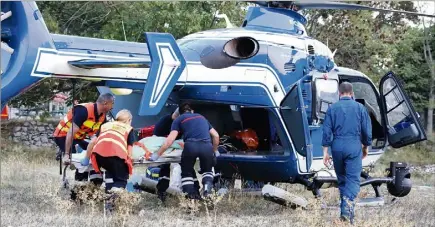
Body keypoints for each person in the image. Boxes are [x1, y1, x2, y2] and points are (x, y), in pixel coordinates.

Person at [322, 82, 372, 223]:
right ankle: (346, 211)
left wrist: (325, 152)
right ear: (352, 93)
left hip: (337, 146)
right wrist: (365, 147)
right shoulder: (360, 108)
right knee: (353, 180)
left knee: (343, 180)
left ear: (339, 93)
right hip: (353, 146)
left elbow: (326, 131)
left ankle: (348, 216)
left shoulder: (332, 108)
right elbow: (367, 131)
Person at [149, 102, 220, 201]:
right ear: (192, 111)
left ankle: (191, 197)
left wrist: (157, 154)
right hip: (206, 146)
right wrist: (215, 150)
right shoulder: (202, 117)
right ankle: (207, 188)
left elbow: (169, 140)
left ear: (180, 113)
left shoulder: (178, 120)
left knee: (186, 173)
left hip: (190, 147)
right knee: (207, 171)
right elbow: (216, 135)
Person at [81, 109, 136, 211]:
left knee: (110, 174)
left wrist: (86, 158)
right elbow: (129, 151)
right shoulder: (128, 129)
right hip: (117, 156)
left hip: (100, 156)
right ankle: (111, 201)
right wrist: (130, 161)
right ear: (128, 119)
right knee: (121, 180)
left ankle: (108, 201)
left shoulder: (105, 126)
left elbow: (92, 142)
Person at [53, 93, 114, 181]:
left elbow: (103, 134)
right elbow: (70, 132)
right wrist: (67, 154)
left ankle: (93, 178)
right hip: (63, 136)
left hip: (78, 138)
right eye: (112, 103)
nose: (112, 107)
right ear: (105, 103)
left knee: (92, 152)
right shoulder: (84, 110)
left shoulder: (102, 116)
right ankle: (80, 182)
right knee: (77, 159)